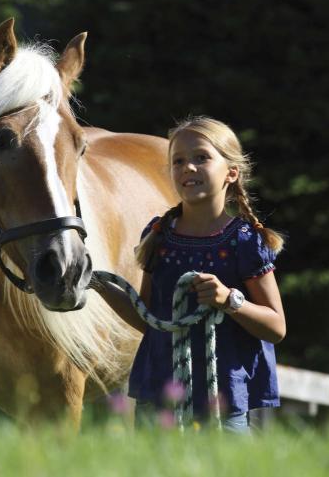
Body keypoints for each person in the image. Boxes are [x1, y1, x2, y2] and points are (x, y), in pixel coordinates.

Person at [95, 116, 286, 434]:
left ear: (231, 172)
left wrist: (229, 299)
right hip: (160, 395)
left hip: (223, 401)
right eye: (178, 161)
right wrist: (98, 284)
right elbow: (149, 318)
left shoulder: (245, 242)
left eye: (202, 158)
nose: (188, 168)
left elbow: (276, 327)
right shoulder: (159, 236)